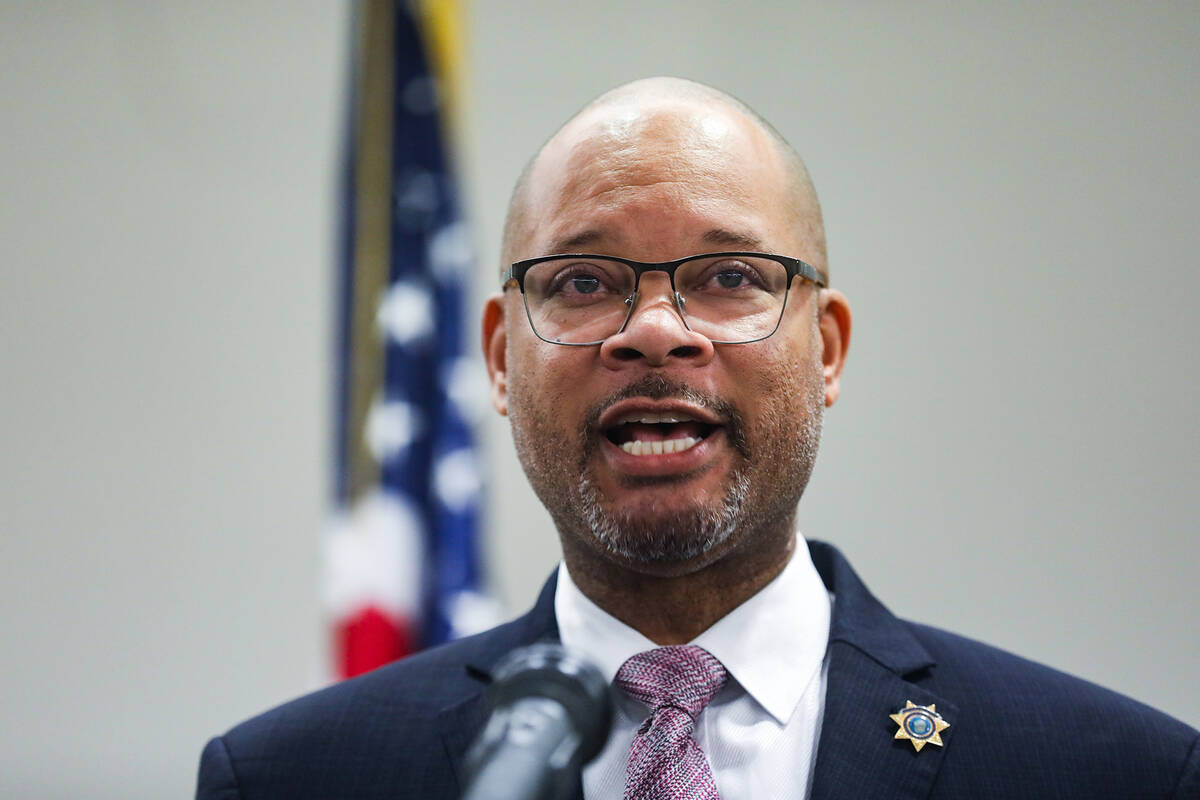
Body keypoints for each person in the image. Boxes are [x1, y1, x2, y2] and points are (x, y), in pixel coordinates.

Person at [197, 77, 1199, 799]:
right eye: (581, 281)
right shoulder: (293, 778)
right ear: (501, 359)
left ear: (827, 350)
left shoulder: (1118, 773)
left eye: (730, 277)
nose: (654, 330)